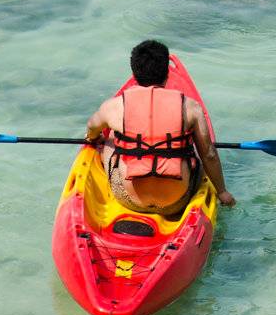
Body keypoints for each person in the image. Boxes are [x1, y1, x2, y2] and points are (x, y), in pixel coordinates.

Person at [85, 39, 235, 216]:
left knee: (110, 137)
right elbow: (209, 154)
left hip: (128, 199)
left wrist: (95, 138)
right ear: (167, 74)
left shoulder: (115, 106)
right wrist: (222, 192)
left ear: (134, 74)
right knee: (198, 148)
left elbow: (92, 128)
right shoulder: (190, 107)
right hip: (177, 201)